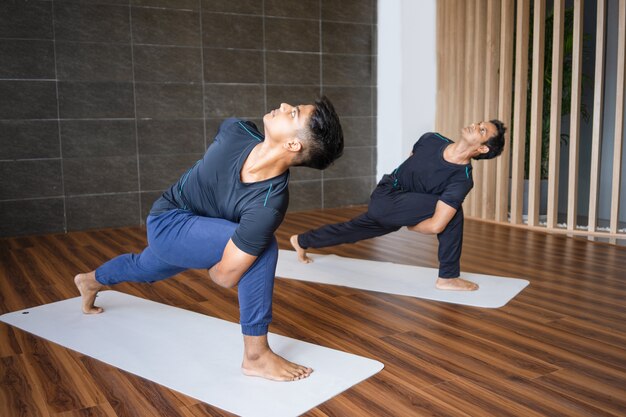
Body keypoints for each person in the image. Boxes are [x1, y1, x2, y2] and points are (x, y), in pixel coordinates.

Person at [74, 97, 344, 382]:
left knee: (144, 267)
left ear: (293, 145)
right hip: (168, 219)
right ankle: (256, 356)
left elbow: (225, 278)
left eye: (294, 113)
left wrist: (222, 257)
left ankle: (90, 281)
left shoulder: (269, 203)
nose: (285, 104)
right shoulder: (237, 131)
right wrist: (226, 254)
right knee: (262, 248)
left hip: (195, 238)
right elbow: (225, 274)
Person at [290, 120, 506, 291]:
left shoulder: (462, 178)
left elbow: (436, 226)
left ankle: (302, 240)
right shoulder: (432, 139)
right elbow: (410, 163)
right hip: (387, 196)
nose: (475, 125)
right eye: (479, 123)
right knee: (454, 212)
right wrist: (411, 221)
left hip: (401, 209)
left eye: (482, 130)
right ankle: (448, 277)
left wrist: (409, 219)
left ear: (483, 149)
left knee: (352, 230)